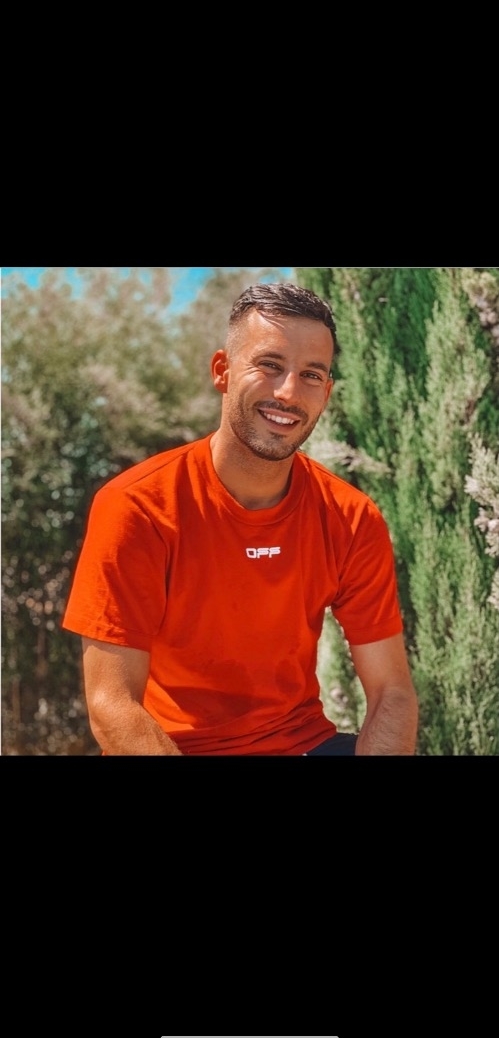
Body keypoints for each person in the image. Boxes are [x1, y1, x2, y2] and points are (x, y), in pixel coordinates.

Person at [62, 282, 419, 756]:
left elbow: (392, 692)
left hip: (304, 744)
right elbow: (112, 705)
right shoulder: (137, 507)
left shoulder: (351, 517)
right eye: (269, 365)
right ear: (222, 371)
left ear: (326, 392)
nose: (288, 392)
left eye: (311, 374)